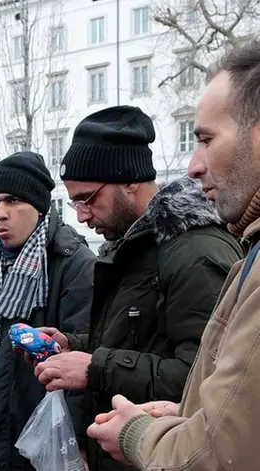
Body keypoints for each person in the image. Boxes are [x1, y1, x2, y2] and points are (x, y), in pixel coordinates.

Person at [34, 105, 243, 471]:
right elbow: (140, 341)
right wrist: (74, 346)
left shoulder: (194, 251)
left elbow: (204, 379)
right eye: (73, 202)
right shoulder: (130, 248)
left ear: (129, 181)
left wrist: (95, 366)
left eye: (88, 198)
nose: (81, 215)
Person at [87, 40, 260, 471]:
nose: (192, 165)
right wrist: (184, 416)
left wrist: (136, 431)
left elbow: (215, 455)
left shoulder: (198, 250)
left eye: (205, 139)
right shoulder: (248, 251)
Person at [0, 152, 96, 469]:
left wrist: (76, 444)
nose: (1, 213)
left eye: (13, 201)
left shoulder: (75, 264)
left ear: (40, 206)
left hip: (35, 422)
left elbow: (85, 357)